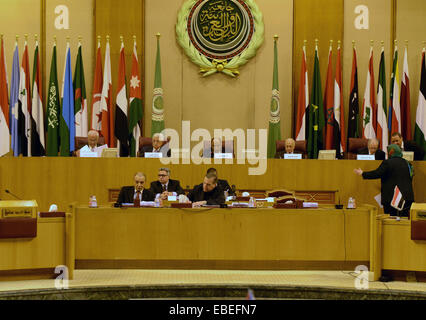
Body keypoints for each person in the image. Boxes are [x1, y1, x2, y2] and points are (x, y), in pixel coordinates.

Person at [353, 144, 414, 217]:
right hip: (407, 199)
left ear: (391, 152)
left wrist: (363, 173)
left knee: (391, 224)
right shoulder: (408, 164)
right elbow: (411, 176)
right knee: (404, 223)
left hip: (392, 200)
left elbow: (377, 173)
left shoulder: (387, 163)